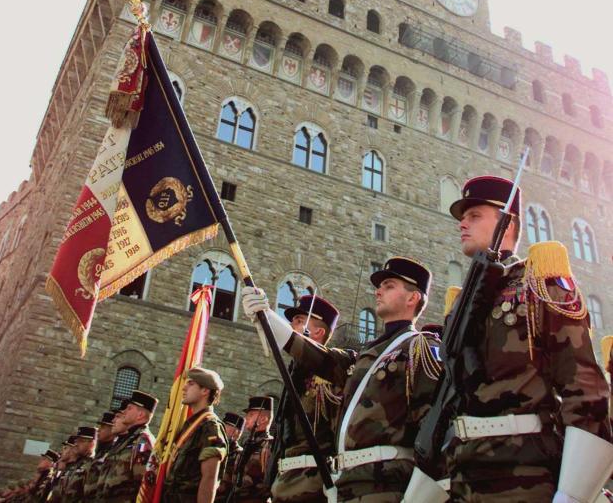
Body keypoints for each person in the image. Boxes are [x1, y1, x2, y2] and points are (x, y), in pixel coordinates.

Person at [440, 175, 613, 503]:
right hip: (465, 478)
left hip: (525, 478)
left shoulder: (540, 288)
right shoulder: (459, 310)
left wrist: (573, 494)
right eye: (462, 217)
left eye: (475, 215)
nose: (462, 224)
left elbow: (586, 392)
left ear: (507, 224)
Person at [242, 257, 442, 503]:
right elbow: (317, 356)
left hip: (386, 484)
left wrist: (421, 496)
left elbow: (434, 427)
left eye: (389, 285)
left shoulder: (418, 348)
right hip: (347, 484)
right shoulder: (363, 357)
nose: (378, 291)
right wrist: (266, 316)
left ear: (413, 298)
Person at [270, 294, 343, 503]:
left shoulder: (329, 375)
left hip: (313, 484)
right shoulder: (295, 373)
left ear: (318, 332)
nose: (292, 324)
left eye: (300, 321)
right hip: (284, 481)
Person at [162, 366, 228, 503]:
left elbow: (209, 478)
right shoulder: (190, 425)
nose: (184, 388)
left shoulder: (210, 427)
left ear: (205, 391)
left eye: (191, 384)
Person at [96, 390, 157, 502]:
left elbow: (144, 485)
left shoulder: (143, 441)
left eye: (129, 408)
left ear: (140, 415)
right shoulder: (126, 440)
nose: (124, 412)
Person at [232, 397, 274, 503]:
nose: (246, 419)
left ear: (264, 419)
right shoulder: (247, 444)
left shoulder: (270, 445)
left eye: (251, 415)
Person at [83, 412, 116, 500]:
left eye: (103, 427)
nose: (98, 430)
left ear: (113, 428)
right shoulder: (100, 451)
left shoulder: (113, 451)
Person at [61, 426, 97, 501]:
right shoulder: (76, 464)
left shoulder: (94, 465)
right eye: (76, 441)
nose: (76, 444)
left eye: (81, 441)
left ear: (92, 444)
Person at [216, 413, 245, 503]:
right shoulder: (215, 446)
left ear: (237, 432)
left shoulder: (240, 454)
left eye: (227, 426)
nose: (223, 429)